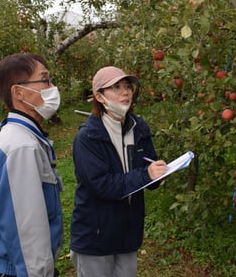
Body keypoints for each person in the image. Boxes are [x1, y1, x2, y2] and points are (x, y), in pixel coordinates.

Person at [70, 66, 168, 277]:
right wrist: (145, 175)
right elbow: (102, 186)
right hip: (95, 236)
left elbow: (147, 172)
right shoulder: (87, 138)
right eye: (115, 87)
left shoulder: (139, 128)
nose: (125, 92)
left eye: (127, 86)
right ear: (99, 96)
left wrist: (157, 175)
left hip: (128, 232)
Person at [0, 53, 63, 277]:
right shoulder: (21, 147)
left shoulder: (23, 138)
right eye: (44, 80)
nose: (52, 87)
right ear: (19, 92)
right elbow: (27, 232)